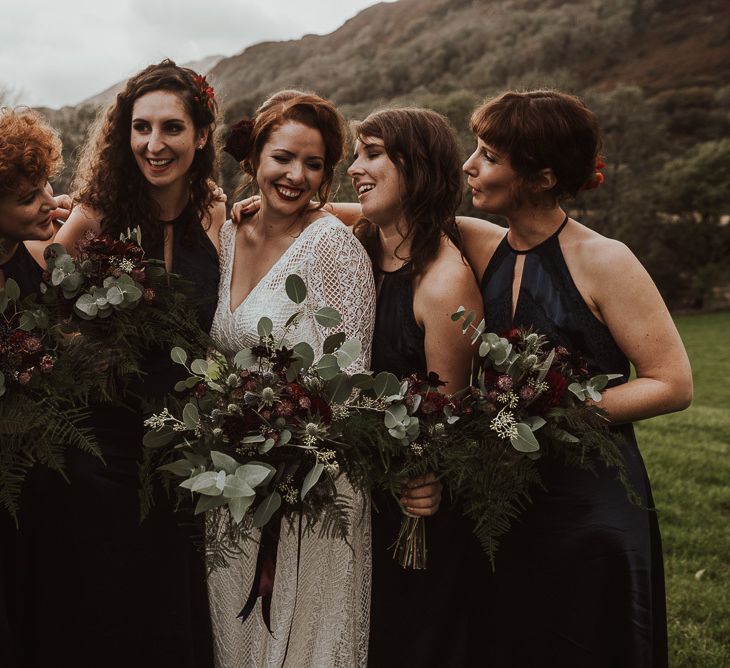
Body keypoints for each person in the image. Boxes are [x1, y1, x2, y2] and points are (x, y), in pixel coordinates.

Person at [459, 89, 692, 667]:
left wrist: (552, 415)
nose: (470, 165)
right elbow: (390, 210)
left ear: (540, 177)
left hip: (589, 503)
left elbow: (671, 382)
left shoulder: (605, 260)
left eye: (488, 155)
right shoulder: (483, 245)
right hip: (504, 498)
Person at [46, 59, 225, 668]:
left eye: (172, 128)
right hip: (101, 449)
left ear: (201, 136)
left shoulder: (219, 218)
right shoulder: (94, 216)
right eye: (141, 127)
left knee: (172, 611)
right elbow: (39, 301)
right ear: (124, 135)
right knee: (106, 607)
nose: (155, 145)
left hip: (185, 453)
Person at [208, 91, 376, 667]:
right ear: (253, 158)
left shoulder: (333, 248)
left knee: (300, 638)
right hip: (229, 476)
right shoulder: (229, 234)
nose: (296, 175)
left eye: (314, 164)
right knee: (232, 634)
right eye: (283, 158)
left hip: (310, 485)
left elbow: (349, 382)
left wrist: (288, 447)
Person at [346, 108, 485, 667]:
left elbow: (443, 421)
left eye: (373, 153)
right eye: (356, 154)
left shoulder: (444, 283)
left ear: (419, 167)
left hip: (409, 505)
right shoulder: (357, 246)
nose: (356, 167)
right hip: (347, 490)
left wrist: (423, 477)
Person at [0, 106, 70, 668]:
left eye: (46, 184)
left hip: (37, 473)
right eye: (29, 199)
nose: (48, 201)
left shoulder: (34, 255)